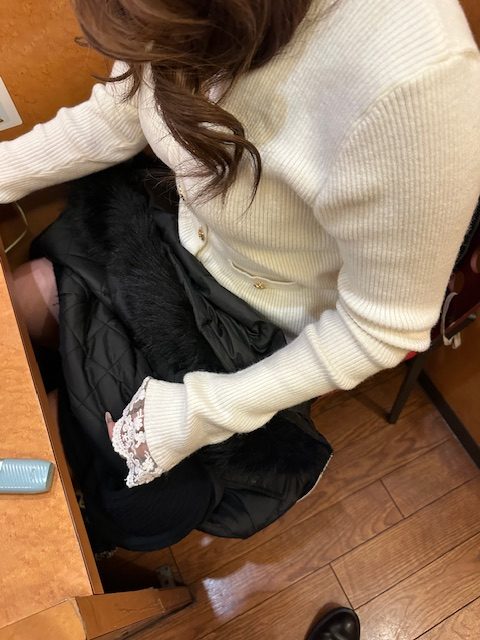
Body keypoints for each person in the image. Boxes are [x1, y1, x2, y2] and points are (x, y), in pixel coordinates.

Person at [1, 0, 479, 547]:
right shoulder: (171, 18)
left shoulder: (417, 85)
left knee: (67, 452)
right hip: (177, 230)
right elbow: (116, 115)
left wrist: (199, 412)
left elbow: (381, 328)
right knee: (21, 301)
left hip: (260, 318)